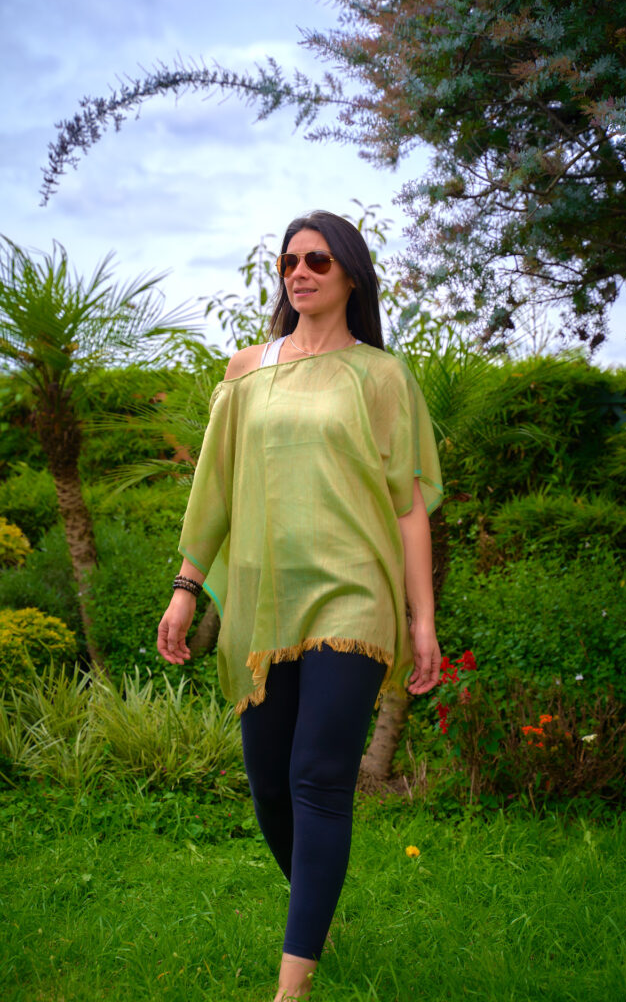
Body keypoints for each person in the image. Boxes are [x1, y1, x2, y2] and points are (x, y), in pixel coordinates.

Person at [157, 210, 443, 1001]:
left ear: (350, 273)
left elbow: (407, 508)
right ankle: (313, 919)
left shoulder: (380, 376)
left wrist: (421, 620)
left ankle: (291, 989)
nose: (300, 273)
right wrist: (186, 588)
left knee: (317, 776)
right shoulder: (246, 371)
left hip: (353, 590)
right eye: (289, 262)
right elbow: (214, 490)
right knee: (271, 786)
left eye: (317, 260)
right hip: (262, 599)